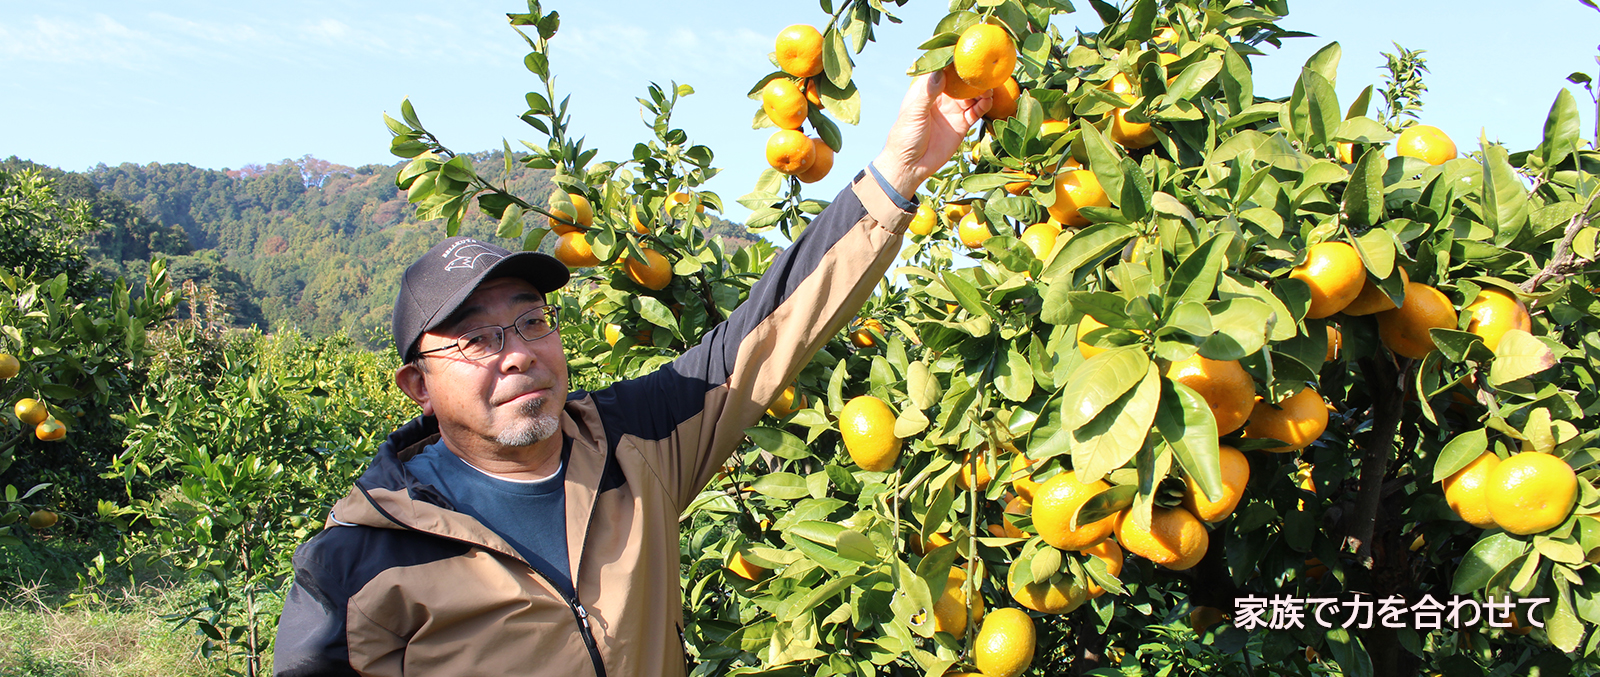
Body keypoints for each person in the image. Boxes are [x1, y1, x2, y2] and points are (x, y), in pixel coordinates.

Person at [272, 71, 992, 676]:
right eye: (474, 339)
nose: (517, 351)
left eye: (530, 320)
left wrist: (901, 173)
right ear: (418, 386)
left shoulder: (635, 442)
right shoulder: (361, 559)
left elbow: (772, 326)